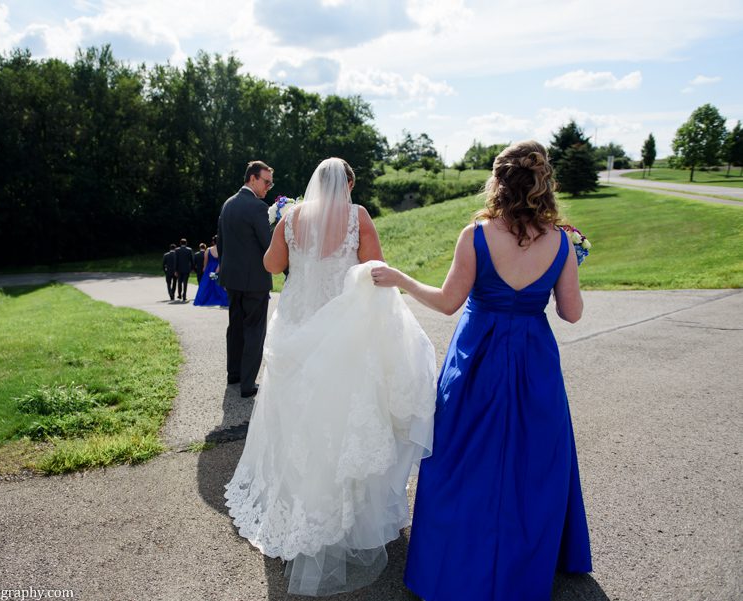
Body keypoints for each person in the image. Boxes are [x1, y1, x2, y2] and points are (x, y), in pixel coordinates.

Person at [371, 140, 593, 600]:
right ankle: (523, 565)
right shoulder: (561, 241)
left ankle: (452, 564)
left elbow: (448, 302)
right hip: (534, 361)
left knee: (460, 458)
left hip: (477, 358)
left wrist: (401, 279)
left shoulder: (476, 235)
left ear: (498, 181)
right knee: (534, 460)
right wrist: (565, 268)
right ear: (543, 182)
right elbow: (571, 313)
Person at [225, 158, 437, 596]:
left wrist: (286, 234)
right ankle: (345, 516)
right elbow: (376, 271)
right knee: (341, 417)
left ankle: (298, 505)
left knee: (296, 419)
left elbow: (272, 265)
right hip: (342, 331)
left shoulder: (290, 216)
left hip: (297, 327)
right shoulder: (358, 216)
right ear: (348, 185)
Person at [217, 161, 275, 398]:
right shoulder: (258, 207)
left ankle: (234, 375)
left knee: (236, 326)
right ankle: (248, 384)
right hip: (255, 281)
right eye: (266, 182)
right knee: (254, 330)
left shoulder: (228, 204)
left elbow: (221, 243)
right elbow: (268, 245)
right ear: (253, 178)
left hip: (231, 278)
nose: (268, 187)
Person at [193, 236, 229, 307]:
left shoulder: (208, 249)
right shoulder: (223, 249)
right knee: (219, 285)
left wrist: (205, 268)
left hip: (210, 269)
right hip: (219, 268)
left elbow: (205, 261)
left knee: (208, 285)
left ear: (213, 242)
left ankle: (206, 299)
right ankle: (222, 300)